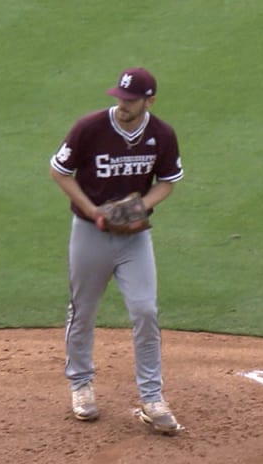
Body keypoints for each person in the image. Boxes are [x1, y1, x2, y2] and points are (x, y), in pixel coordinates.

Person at [48, 67, 184, 433]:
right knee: (84, 309)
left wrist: (140, 206)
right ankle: (80, 385)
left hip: (134, 238)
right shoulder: (89, 128)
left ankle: (152, 398)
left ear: (148, 101)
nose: (122, 104)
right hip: (89, 233)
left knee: (145, 310)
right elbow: (59, 171)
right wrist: (92, 211)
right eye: (119, 98)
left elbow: (168, 181)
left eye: (130, 100)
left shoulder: (161, 135)